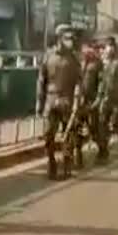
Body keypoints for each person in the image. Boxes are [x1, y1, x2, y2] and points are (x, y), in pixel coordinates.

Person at [36, 24, 82, 179]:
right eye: (67, 37)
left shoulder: (74, 59)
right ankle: (51, 163)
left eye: (71, 38)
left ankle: (67, 165)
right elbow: (41, 80)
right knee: (48, 134)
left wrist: (76, 100)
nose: (70, 41)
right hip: (51, 99)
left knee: (69, 135)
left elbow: (79, 81)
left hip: (67, 99)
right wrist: (39, 102)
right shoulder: (48, 56)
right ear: (59, 38)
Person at [96, 37, 118, 162]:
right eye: (107, 46)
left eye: (111, 46)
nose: (109, 48)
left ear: (115, 47)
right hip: (105, 97)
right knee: (102, 123)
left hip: (117, 97)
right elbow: (99, 79)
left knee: (116, 122)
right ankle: (103, 149)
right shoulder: (103, 61)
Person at [80, 42, 103, 166]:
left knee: (94, 127)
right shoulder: (79, 63)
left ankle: (102, 149)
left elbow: (101, 82)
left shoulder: (97, 64)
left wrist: (99, 98)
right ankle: (77, 154)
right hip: (80, 101)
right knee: (77, 128)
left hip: (92, 100)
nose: (86, 52)